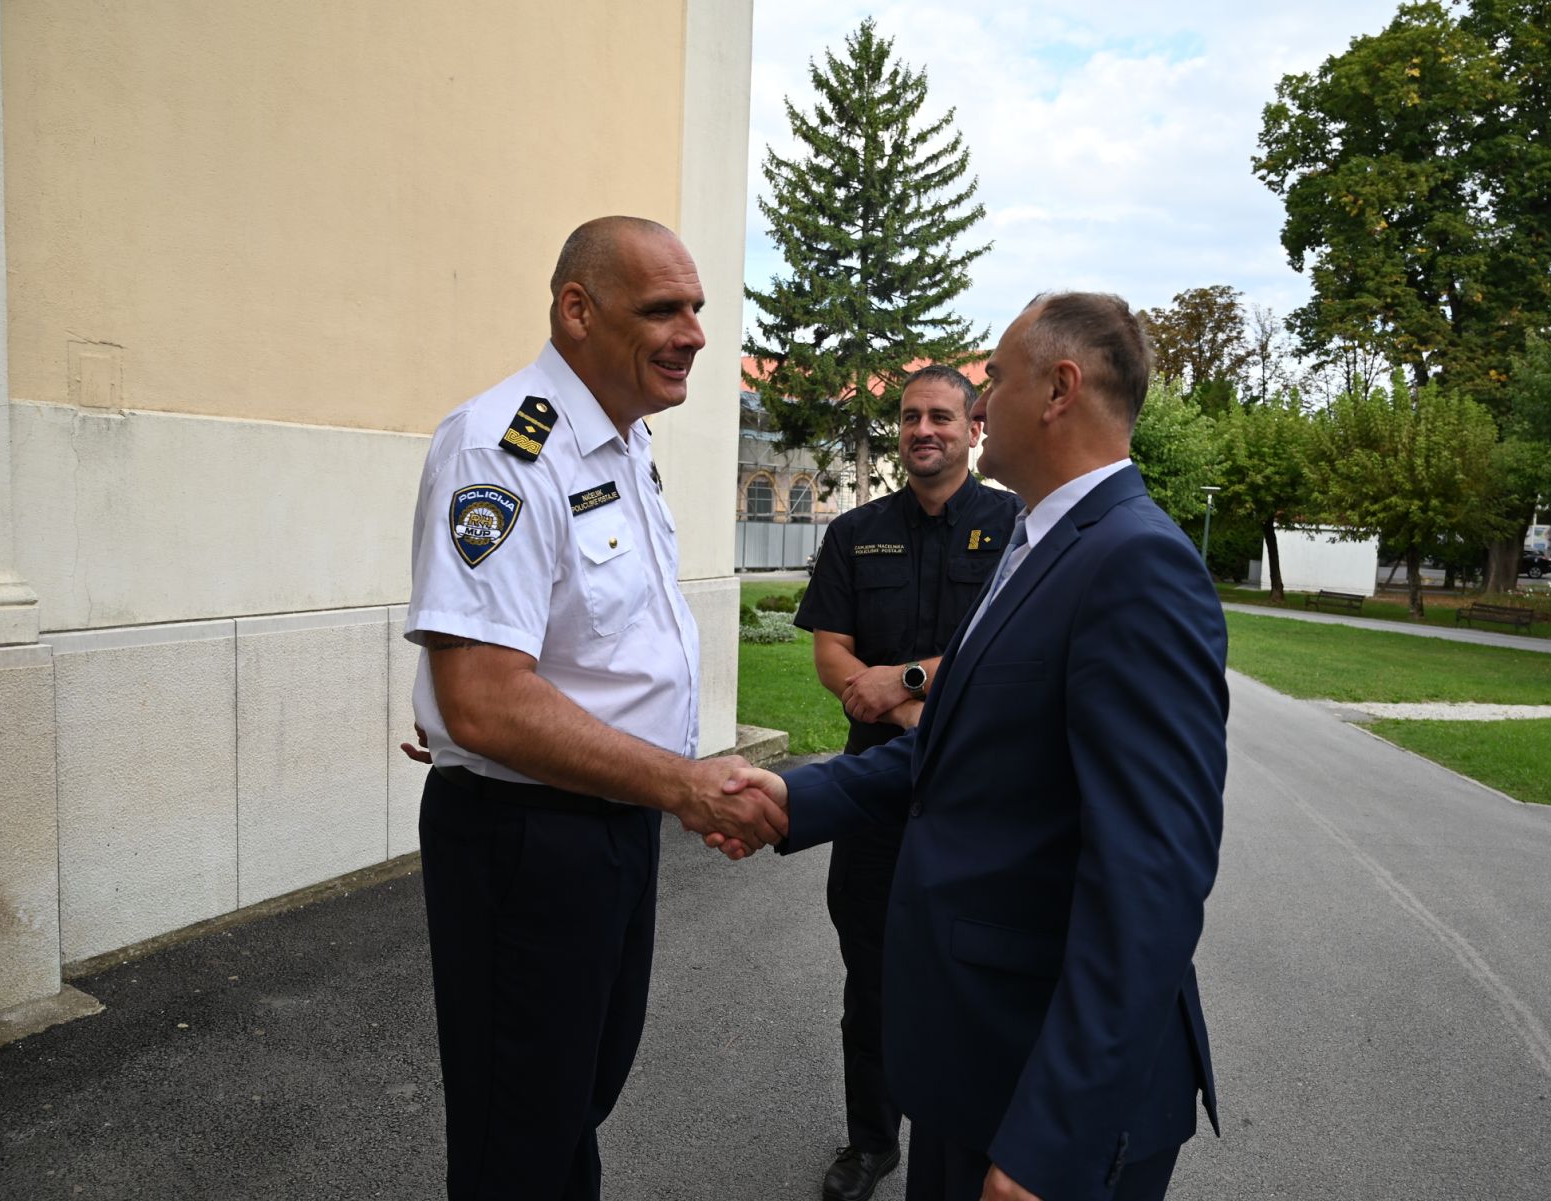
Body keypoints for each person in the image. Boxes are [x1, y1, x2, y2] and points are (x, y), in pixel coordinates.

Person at [718, 292, 1227, 1201]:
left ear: (1060, 389)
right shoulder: (1042, 542)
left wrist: (1049, 1141)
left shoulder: (1135, 563)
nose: (980, 404)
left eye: (995, 379)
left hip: (1045, 1100)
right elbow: (959, 745)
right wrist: (798, 798)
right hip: (981, 1060)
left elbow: (1150, 878)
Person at [403, 215, 787, 1201]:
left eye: (696, 307)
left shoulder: (621, 443)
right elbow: (484, 699)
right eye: (663, 309)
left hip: (609, 829)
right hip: (531, 841)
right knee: (518, 1135)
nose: (694, 333)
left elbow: (579, 650)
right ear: (578, 310)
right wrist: (684, 784)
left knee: (573, 1100)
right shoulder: (503, 446)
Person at [792, 365, 1019, 1201]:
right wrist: (909, 705)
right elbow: (831, 654)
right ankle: (871, 1142)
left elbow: (1016, 646)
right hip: (874, 793)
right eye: (912, 416)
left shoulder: (1017, 528)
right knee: (873, 977)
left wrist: (907, 679)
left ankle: (973, 1137)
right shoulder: (856, 533)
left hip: (978, 791)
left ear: (973, 429)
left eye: (942, 416)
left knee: (979, 969)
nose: (925, 429)